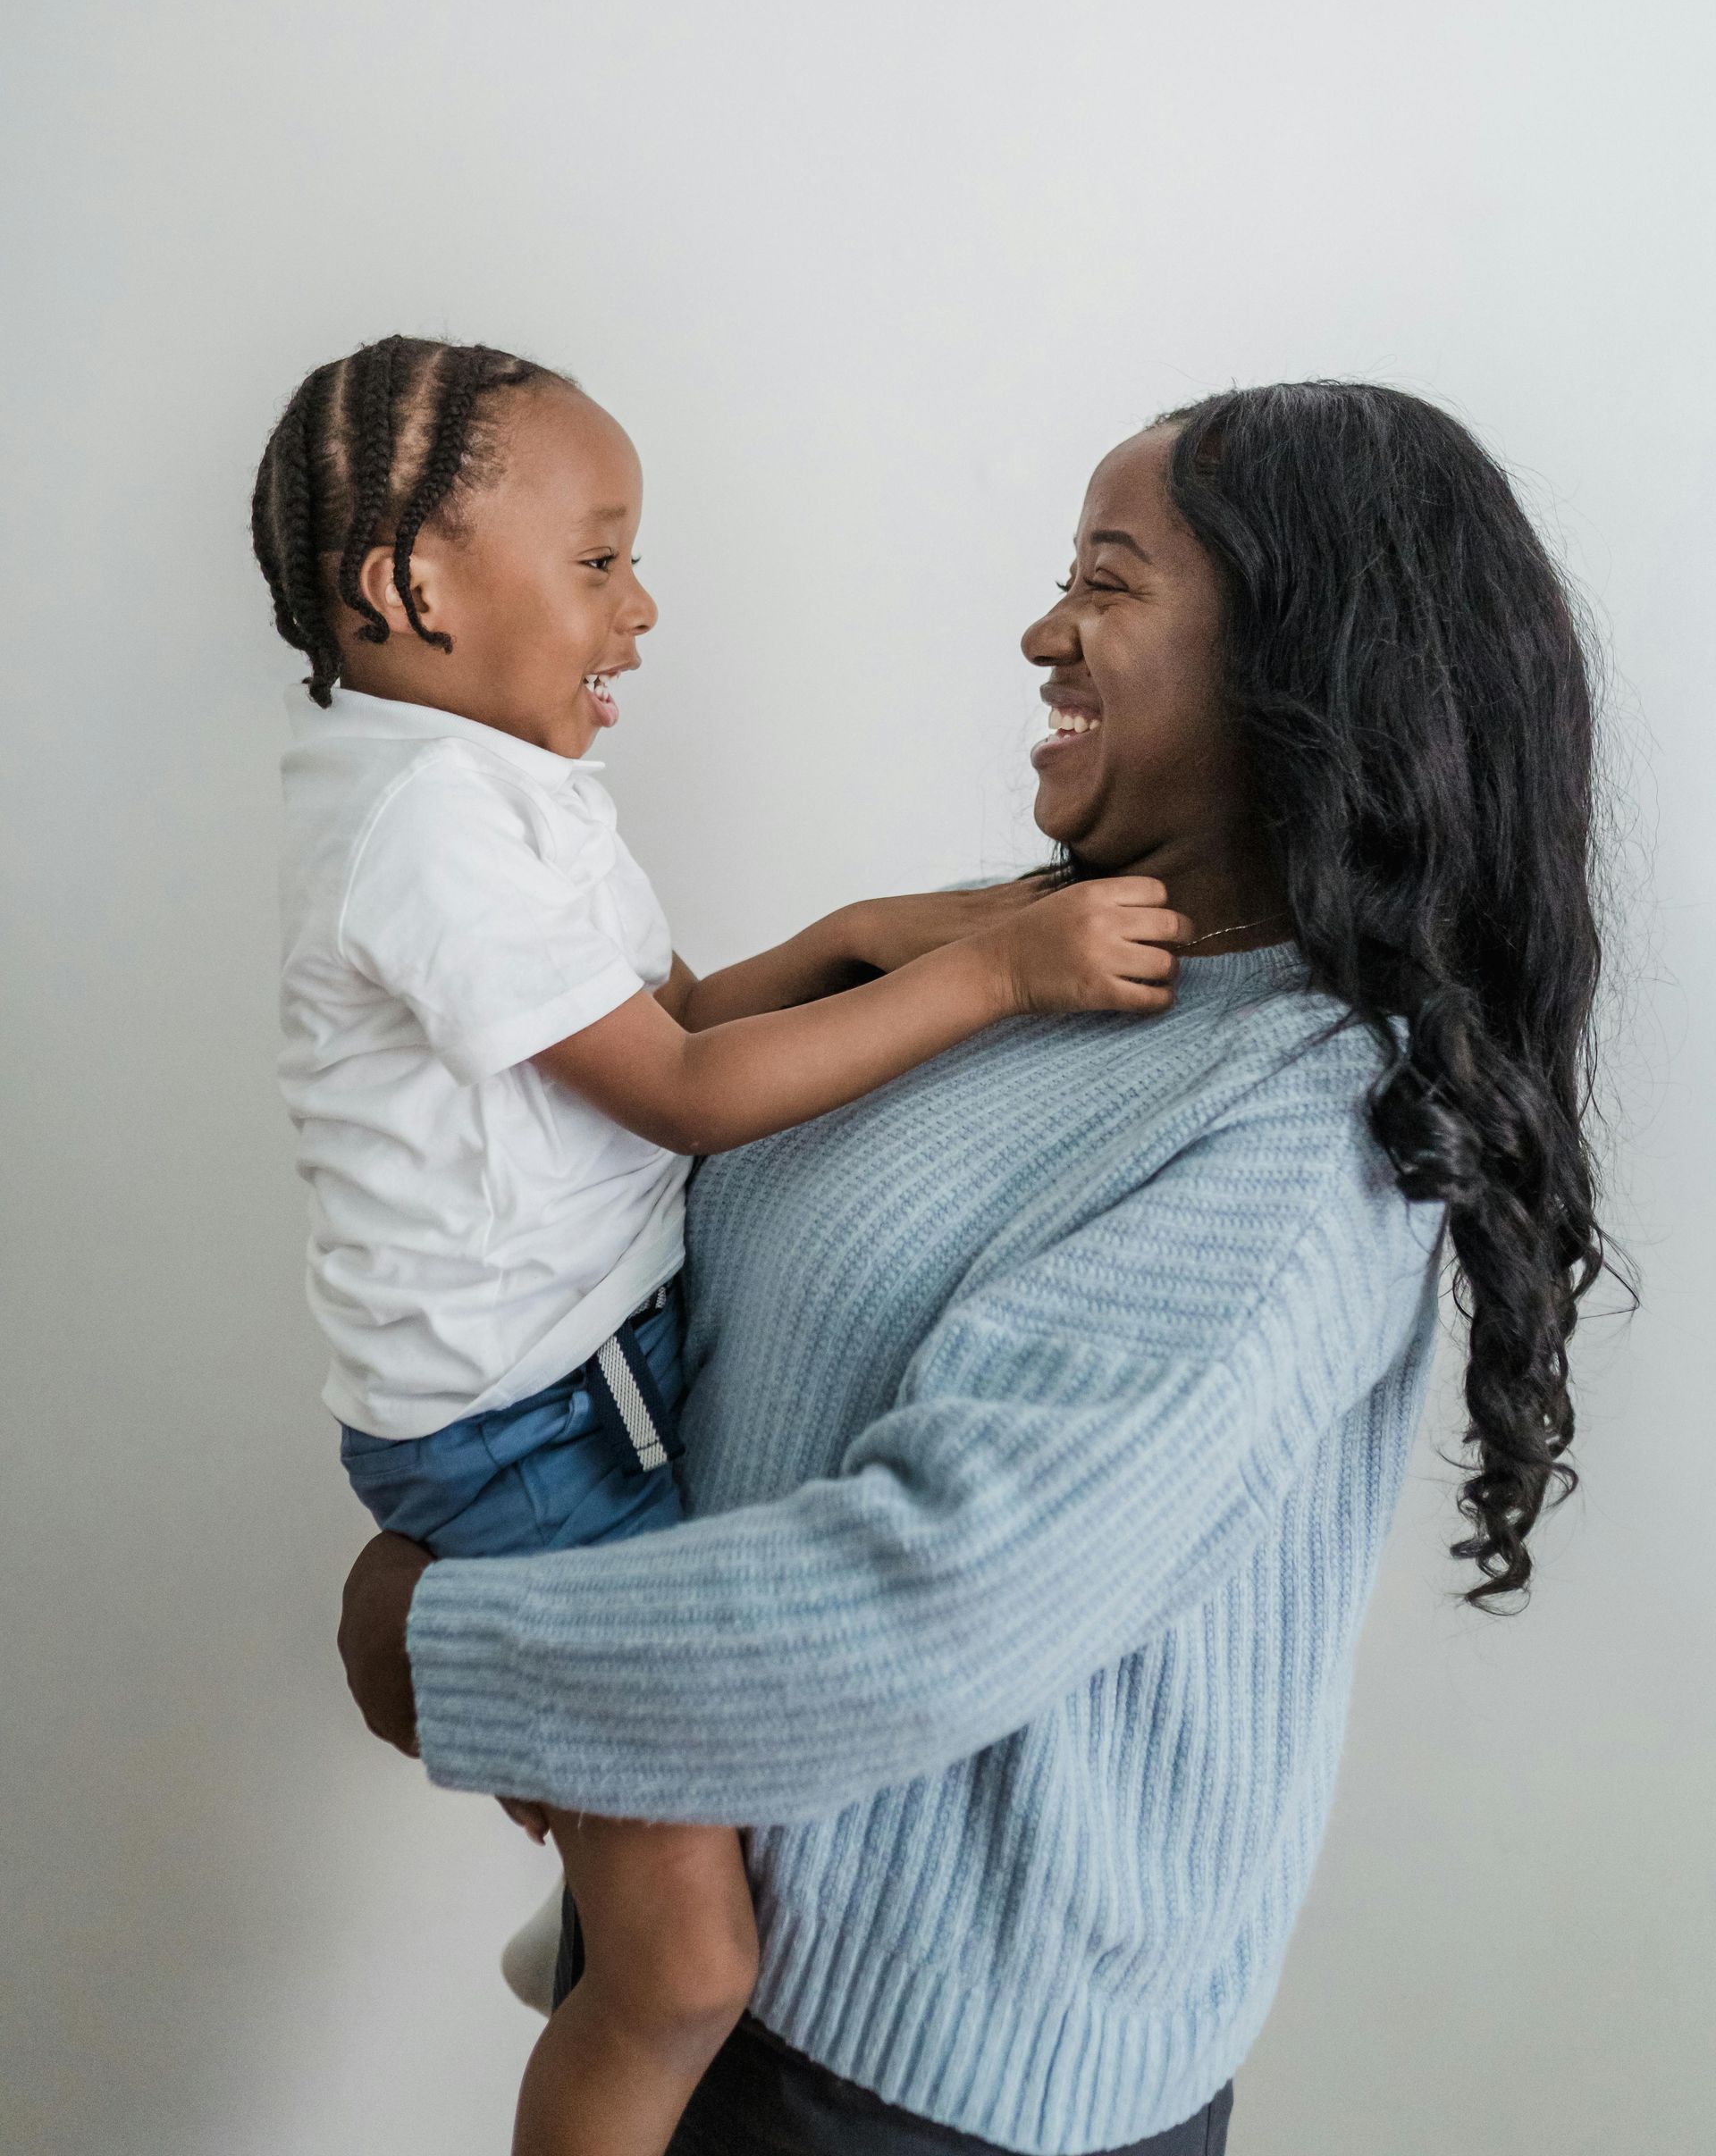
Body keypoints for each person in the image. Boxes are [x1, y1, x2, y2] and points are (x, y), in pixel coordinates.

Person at [339, 380, 1619, 2155]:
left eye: (1107, 580)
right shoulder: (1041, 962)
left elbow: (927, 1602)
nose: (1042, 631)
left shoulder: (1305, 1136)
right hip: (722, 1968)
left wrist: (449, 1642)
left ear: (1294, 665)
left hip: (919, 2091)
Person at [252, 335, 1188, 2156]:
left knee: (687, 1844)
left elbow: (666, 1012)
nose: (643, 603)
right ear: (409, 585)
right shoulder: (430, 822)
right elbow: (680, 1087)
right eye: (597, 560)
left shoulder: (484, 787)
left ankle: (611, 1886)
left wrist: (871, 937)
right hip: (537, 1426)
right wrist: (997, 970)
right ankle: (618, 1960)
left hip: (593, 1371)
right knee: (690, 1973)